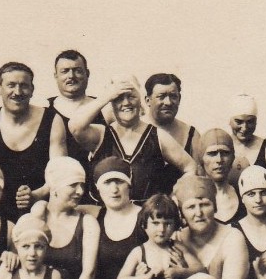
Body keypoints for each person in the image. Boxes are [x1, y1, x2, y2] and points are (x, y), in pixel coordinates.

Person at [69, 76, 197, 204]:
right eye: (118, 98)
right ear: (111, 102)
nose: (126, 103)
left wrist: (170, 200)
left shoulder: (157, 136)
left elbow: (190, 167)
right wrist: (106, 97)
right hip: (105, 217)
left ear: (140, 100)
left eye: (131, 96)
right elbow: (75, 127)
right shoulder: (101, 135)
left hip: (145, 218)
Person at [0, 62, 68, 222]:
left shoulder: (51, 121)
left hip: (44, 207)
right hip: (0, 209)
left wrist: (37, 194)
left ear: (32, 89)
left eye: (24, 86)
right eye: (11, 85)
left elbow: (60, 172)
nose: (17, 92)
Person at [170, 174, 250, 279]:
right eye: (190, 207)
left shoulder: (232, 238)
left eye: (205, 204)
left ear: (215, 206)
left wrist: (184, 274)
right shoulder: (178, 238)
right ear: (181, 212)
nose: (198, 213)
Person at [88, 157, 145, 279]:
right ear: (98, 188)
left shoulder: (146, 217)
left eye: (119, 182)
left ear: (129, 184)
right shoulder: (94, 217)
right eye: (107, 182)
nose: (114, 189)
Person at [36, 156, 100, 279]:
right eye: (73, 185)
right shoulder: (37, 215)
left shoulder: (87, 223)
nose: (80, 191)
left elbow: (89, 273)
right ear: (55, 187)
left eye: (82, 185)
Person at [143, 73, 203, 195]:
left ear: (179, 99)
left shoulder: (191, 134)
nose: (168, 102)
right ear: (148, 100)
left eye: (173, 96)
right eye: (161, 96)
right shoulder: (137, 129)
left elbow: (199, 178)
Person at [46, 50, 100, 176]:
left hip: (98, 187)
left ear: (87, 73)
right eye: (65, 71)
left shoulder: (103, 109)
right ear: (56, 76)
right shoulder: (45, 110)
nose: (71, 76)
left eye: (77, 70)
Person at [226, 93, 266, 196]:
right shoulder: (222, 146)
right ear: (229, 121)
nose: (244, 128)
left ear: (256, 121)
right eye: (239, 122)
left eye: (250, 122)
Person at [196, 128, 246, 225]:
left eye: (225, 153)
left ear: (233, 158)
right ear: (201, 159)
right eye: (212, 154)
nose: (219, 159)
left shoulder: (244, 195)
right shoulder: (192, 199)